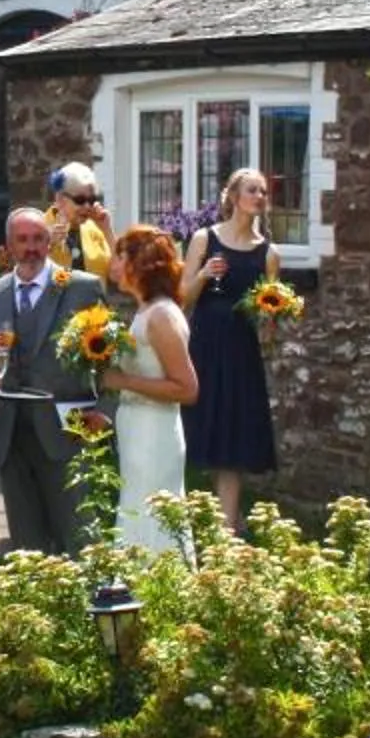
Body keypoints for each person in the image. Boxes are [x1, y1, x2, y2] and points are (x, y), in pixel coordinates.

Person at [0, 204, 109, 556]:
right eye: (22, 240)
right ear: (9, 246)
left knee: (79, 534)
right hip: (11, 430)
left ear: (50, 243)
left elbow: (110, 358)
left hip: (67, 427)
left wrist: (104, 411)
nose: (31, 247)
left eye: (38, 239)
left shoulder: (81, 288)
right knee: (26, 543)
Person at [180, 165, 280, 531]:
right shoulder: (205, 239)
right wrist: (204, 274)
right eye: (252, 190)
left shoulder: (268, 253)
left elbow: (269, 321)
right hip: (205, 344)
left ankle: (227, 531)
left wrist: (271, 318)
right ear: (234, 197)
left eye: (263, 191)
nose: (259, 197)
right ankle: (213, 516)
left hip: (241, 350)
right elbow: (183, 297)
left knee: (233, 436)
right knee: (206, 427)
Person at [99, 225, 199, 559]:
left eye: (120, 256)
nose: (113, 263)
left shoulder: (162, 316)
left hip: (154, 431)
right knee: (136, 509)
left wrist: (122, 381)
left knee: (152, 512)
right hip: (137, 425)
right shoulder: (146, 309)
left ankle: (157, 581)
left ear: (139, 264)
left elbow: (187, 388)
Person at [48, 162, 114, 279]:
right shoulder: (40, 228)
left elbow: (118, 274)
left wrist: (107, 230)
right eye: (80, 200)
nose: (87, 206)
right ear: (60, 199)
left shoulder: (96, 230)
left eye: (92, 200)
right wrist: (48, 245)